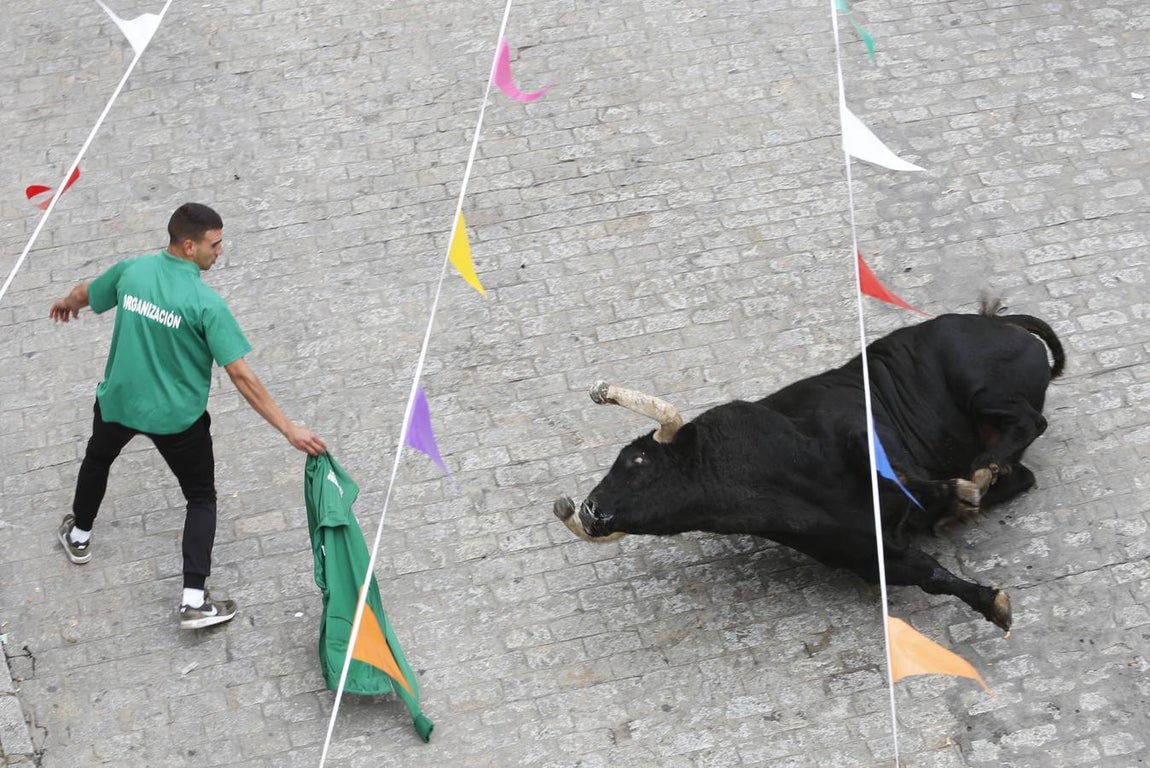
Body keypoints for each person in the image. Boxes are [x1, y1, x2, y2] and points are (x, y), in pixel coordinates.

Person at [49, 202, 326, 629]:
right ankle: (194, 600)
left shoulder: (133, 271)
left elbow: (88, 292)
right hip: (178, 420)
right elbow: (240, 374)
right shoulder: (205, 303)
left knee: (98, 459)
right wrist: (288, 428)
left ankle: (80, 535)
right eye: (214, 244)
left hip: (119, 402)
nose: (220, 251)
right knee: (200, 498)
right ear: (188, 244)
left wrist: (69, 303)